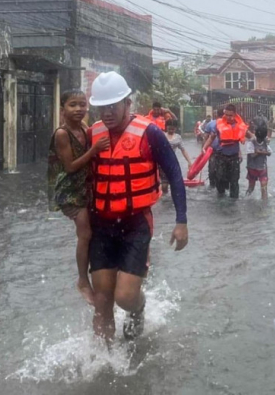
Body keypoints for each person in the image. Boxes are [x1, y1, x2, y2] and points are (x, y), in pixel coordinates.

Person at [88, 72, 188, 344]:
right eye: (102, 107)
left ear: (127, 104)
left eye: (113, 106)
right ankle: (103, 359)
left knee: (125, 297)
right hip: (102, 225)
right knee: (102, 298)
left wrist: (181, 221)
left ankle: (139, 308)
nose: (107, 113)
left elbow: (175, 174)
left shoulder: (150, 132)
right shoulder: (93, 133)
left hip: (135, 223)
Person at [47, 90, 110, 305]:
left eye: (82, 105)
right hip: (69, 190)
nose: (78, 109)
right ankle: (82, 280)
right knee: (85, 233)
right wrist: (94, 150)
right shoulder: (62, 134)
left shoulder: (85, 127)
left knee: (94, 232)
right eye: (72, 105)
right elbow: (70, 166)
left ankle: (99, 271)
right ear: (62, 108)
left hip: (85, 187)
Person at [203, 104, 248, 199]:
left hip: (234, 157)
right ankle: (221, 199)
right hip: (221, 157)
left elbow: (250, 135)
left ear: (235, 114)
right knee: (219, 179)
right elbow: (211, 138)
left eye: (230, 115)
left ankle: (233, 203)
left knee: (234, 181)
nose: (228, 117)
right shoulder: (218, 125)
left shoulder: (239, 126)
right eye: (226, 115)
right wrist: (204, 147)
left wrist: (259, 141)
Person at [161, 119, 192, 194]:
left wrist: (189, 161)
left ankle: (173, 199)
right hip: (162, 163)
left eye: (173, 128)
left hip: (172, 163)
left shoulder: (178, 138)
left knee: (174, 183)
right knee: (164, 185)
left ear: (176, 128)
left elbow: (183, 150)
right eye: (169, 128)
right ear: (166, 127)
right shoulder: (162, 136)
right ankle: (164, 198)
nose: (171, 130)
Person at [245, 125, 272, 201]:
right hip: (252, 168)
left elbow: (269, 152)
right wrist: (262, 152)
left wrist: (259, 152)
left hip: (262, 168)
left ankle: (264, 206)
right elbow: (252, 155)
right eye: (259, 139)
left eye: (262, 139)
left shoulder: (265, 142)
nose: (260, 140)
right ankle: (246, 200)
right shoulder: (251, 142)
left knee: (264, 188)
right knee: (251, 187)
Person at [204, 109, 224, 188]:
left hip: (219, 151)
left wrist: (204, 148)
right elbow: (206, 138)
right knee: (214, 170)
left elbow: (205, 138)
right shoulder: (210, 124)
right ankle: (215, 185)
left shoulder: (225, 124)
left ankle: (214, 185)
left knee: (214, 170)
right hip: (214, 151)